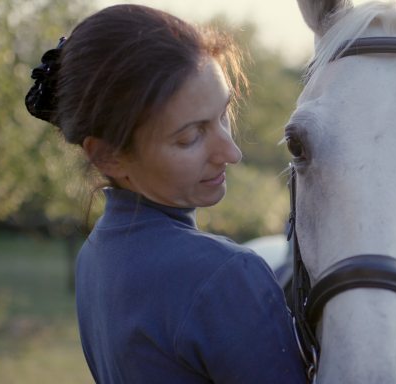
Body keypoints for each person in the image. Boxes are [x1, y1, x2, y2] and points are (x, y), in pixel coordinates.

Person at [25, 4, 306, 383]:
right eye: (190, 137)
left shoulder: (94, 256)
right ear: (108, 155)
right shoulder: (224, 276)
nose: (232, 153)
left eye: (223, 115)